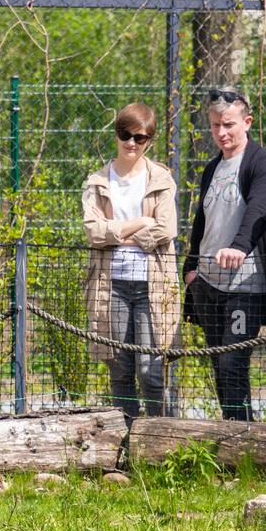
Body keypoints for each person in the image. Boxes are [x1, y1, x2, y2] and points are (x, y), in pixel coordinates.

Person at [182, 88, 266, 421]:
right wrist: (190, 267)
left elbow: (261, 208)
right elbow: (202, 219)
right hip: (207, 284)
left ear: (247, 122)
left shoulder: (261, 162)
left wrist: (239, 246)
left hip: (244, 288)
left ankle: (245, 438)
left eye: (228, 124)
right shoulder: (212, 168)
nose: (221, 133)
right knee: (218, 362)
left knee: (232, 361)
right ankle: (231, 431)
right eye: (214, 126)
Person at [81, 102, 179, 424]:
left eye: (140, 137)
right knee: (120, 368)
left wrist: (120, 235)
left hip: (153, 286)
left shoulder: (160, 177)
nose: (131, 143)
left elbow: (166, 228)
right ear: (117, 134)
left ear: (149, 140)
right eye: (125, 134)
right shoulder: (97, 180)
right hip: (112, 285)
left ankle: (158, 435)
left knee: (151, 369)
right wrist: (139, 222)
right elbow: (92, 232)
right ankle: (125, 438)